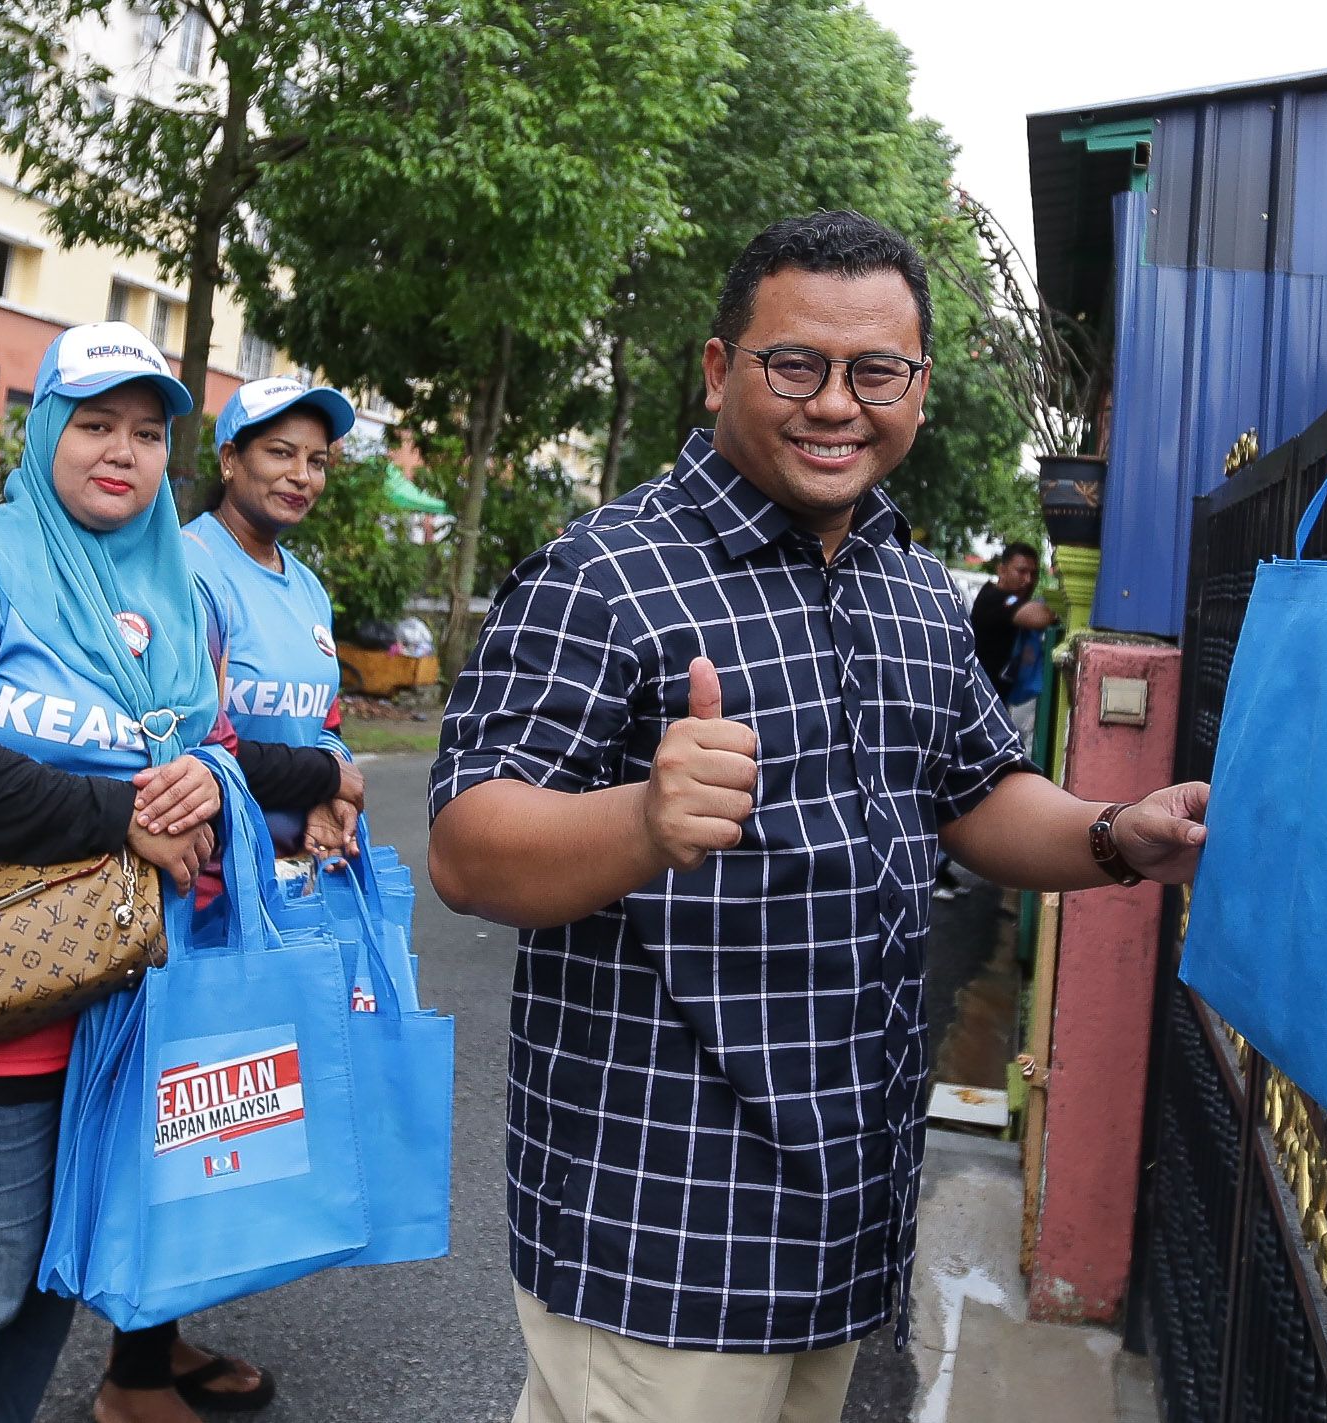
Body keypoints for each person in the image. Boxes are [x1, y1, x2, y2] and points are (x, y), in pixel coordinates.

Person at [427, 210, 1210, 1423]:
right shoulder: (605, 573)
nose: (835, 403)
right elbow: (467, 849)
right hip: (662, 1220)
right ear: (715, 370)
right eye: (793, 364)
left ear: (917, 387)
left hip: (843, 1206)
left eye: (872, 371)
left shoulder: (908, 583)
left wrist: (1116, 836)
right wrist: (644, 817)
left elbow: (974, 793)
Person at [0, 322, 346, 1423]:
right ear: (43, 432)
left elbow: (210, 744)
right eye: (92, 426)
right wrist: (122, 812)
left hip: (119, 1002)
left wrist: (261, 782)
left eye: (143, 432)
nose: (119, 452)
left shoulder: (180, 593)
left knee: (43, 1284)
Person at [183, 375, 366, 861]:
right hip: (209, 876)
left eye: (317, 461)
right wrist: (327, 777)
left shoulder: (309, 588)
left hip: (295, 872)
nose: (302, 475)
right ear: (229, 460)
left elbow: (325, 722)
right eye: (281, 453)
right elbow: (193, 747)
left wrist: (332, 794)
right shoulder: (189, 568)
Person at [970, 540, 1056, 705]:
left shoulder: (1011, 599)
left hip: (997, 700)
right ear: (1002, 570)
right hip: (979, 702)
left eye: (1034, 574)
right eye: (1021, 572)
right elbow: (1040, 617)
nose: (1029, 580)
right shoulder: (994, 599)